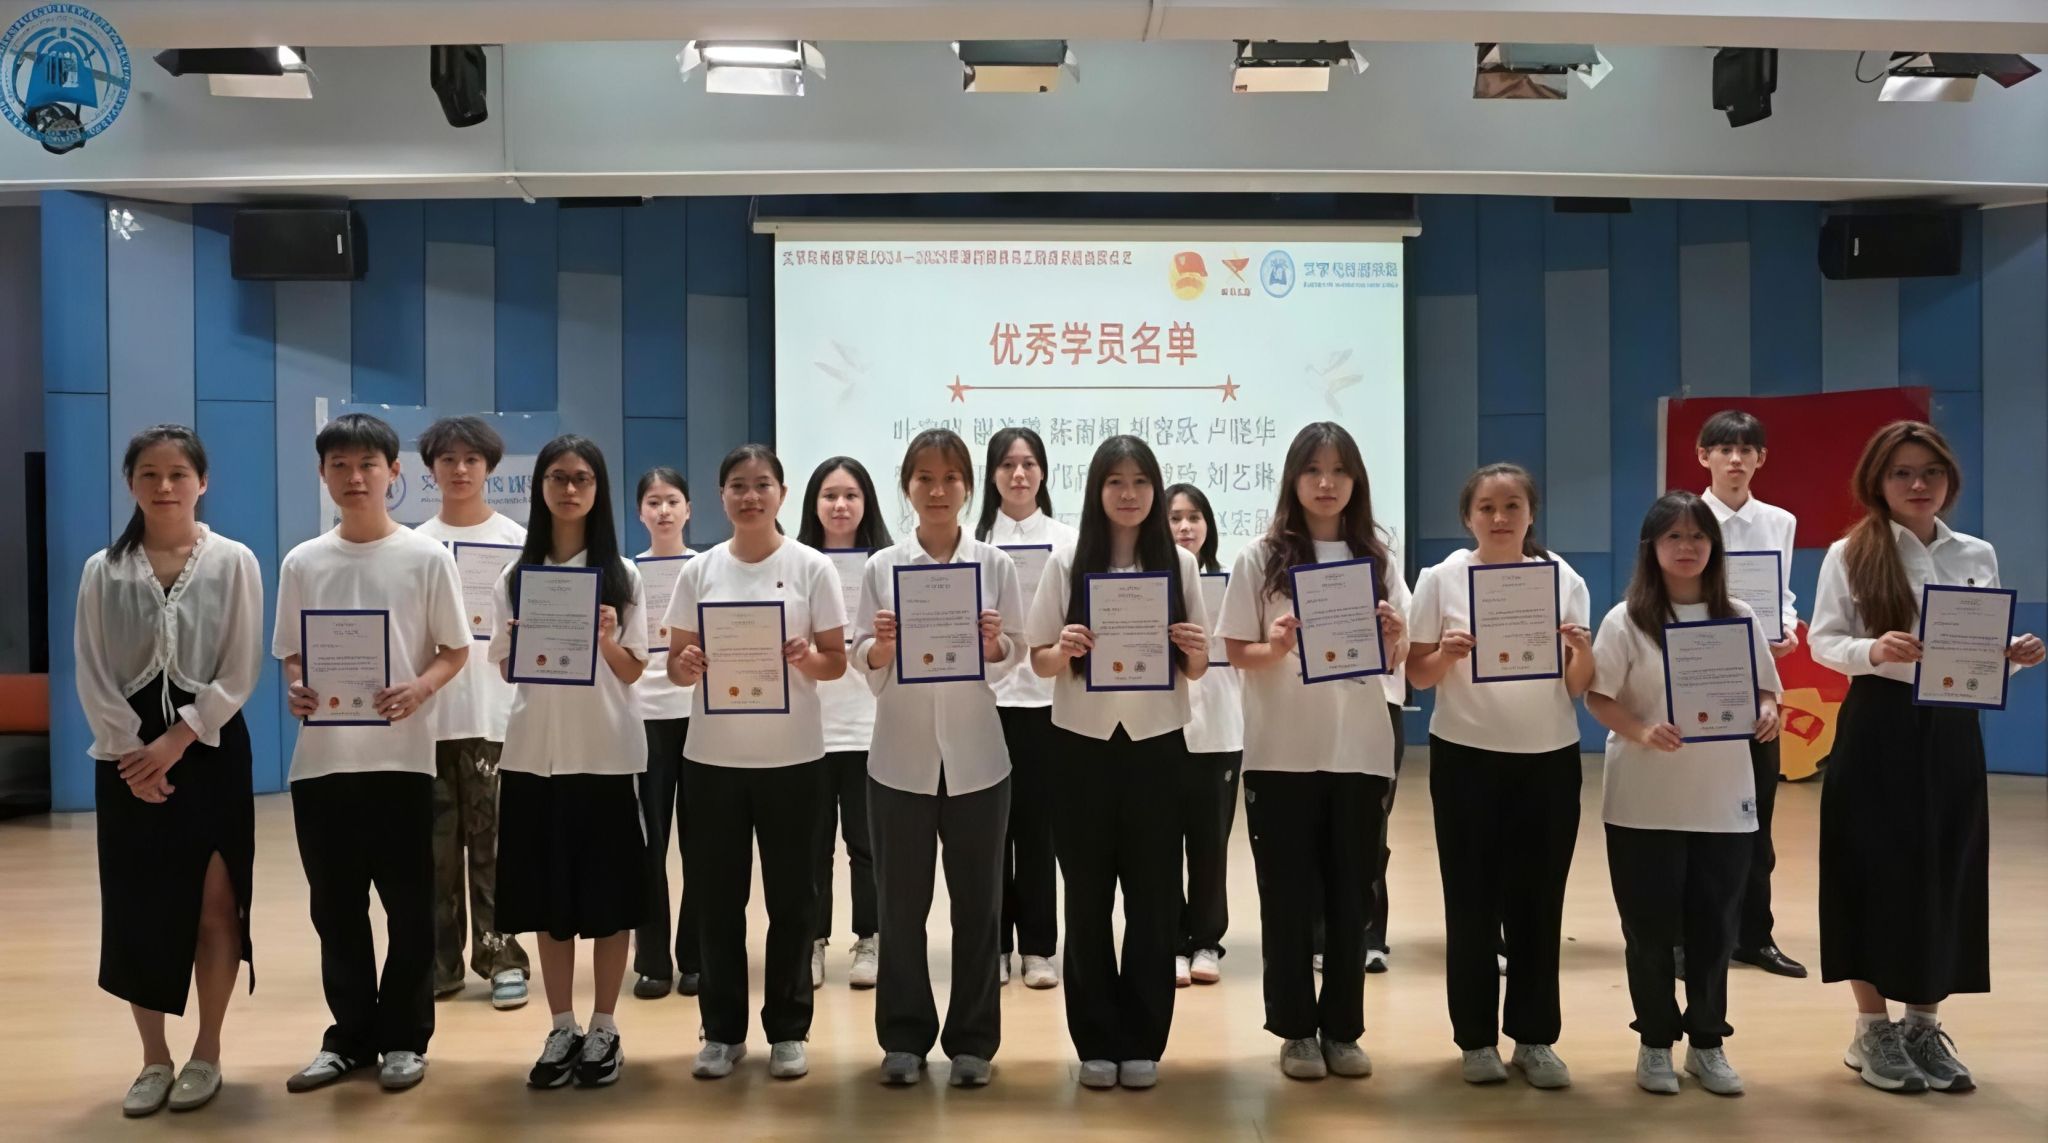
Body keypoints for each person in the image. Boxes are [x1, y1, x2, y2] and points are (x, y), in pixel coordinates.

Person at [1809, 420, 2044, 1095]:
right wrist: (1872, 650)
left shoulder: (1975, 552)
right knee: (1871, 866)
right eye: (1903, 473)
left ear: (1949, 480)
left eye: (1931, 472)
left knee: (1946, 866)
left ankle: (1923, 1024)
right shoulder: (1850, 553)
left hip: (1952, 729)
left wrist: (2013, 656)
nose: (1918, 484)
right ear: (1878, 482)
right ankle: (1872, 1027)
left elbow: (1977, 653)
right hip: (1878, 725)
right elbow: (1823, 640)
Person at [275, 413, 471, 1095]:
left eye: (367, 464)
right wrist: (299, 686)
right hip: (322, 765)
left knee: (410, 909)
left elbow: (454, 650)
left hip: (402, 763)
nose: (354, 477)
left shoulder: (425, 557)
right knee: (335, 911)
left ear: (394, 472)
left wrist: (420, 687)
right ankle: (351, 1037)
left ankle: (405, 1038)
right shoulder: (303, 561)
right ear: (323, 474)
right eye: (339, 465)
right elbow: (293, 653)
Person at [77, 425, 262, 1117]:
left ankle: (206, 1050)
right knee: (139, 907)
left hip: (210, 751)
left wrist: (177, 741)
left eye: (179, 473)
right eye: (149, 474)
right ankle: (153, 1057)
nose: (164, 486)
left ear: (202, 482)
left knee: (216, 905)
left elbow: (240, 668)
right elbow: (92, 671)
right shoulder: (102, 570)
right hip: (126, 759)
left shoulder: (234, 560)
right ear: (131, 483)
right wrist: (134, 752)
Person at [1218, 422, 1407, 1083]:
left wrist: (1394, 633)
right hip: (1282, 752)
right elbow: (1236, 650)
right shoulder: (1261, 556)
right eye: (1313, 470)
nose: (1326, 483)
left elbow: (1398, 655)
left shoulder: (1377, 557)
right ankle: (1297, 1030)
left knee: (1352, 895)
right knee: (1287, 897)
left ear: (1356, 480)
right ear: (1293, 479)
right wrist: (1274, 646)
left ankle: (1343, 1030)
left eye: (1339, 470)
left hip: (1359, 748)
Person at [1025, 434, 1210, 1091]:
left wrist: (1193, 646)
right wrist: (1064, 648)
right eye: (1115, 481)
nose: (1128, 494)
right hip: (1081, 745)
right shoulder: (1067, 559)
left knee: (1154, 899)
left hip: (1158, 743)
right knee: (1087, 897)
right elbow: (1038, 658)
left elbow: (1198, 665)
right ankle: (1096, 1039)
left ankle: (1144, 1039)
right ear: (1096, 490)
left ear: (1154, 489)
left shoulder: (1179, 564)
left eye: (1140, 481)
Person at [1585, 491, 1782, 1097]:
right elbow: (1598, 696)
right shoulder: (1626, 620)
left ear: (1714, 547)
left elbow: (1767, 690)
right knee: (1648, 929)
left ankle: (1707, 1043)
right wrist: (1643, 729)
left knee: (1715, 928)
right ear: (1652, 548)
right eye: (1674, 536)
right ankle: (1654, 1042)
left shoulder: (1739, 615)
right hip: (1644, 799)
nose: (1688, 547)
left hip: (1723, 798)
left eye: (1698, 536)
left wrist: (1768, 711)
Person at [665, 443, 850, 1081]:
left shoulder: (811, 567)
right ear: (721, 496)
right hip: (712, 760)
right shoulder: (699, 571)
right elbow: (676, 664)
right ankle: (721, 1032)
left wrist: (805, 658)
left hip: (794, 759)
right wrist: (688, 664)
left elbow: (836, 661)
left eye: (762, 484)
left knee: (793, 900)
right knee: (717, 900)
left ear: (782, 493)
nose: (750, 496)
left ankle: (789, 1029)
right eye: (738, 485)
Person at [1405, 463, 1591, 1088]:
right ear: (1468, 517)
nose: (1500, 517)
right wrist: (1444, 654)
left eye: (1513, 505)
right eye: (1486, 507)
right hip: (1467, 757)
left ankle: (1535, 1039)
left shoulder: (1562, 578)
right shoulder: (1441, 579)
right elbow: (1417, 674)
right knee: (1471, 902)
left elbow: (1577, 687)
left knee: (1539, 902)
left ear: (1531, 514)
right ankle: (1476, 1040)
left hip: (1548, 758)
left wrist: (1581, 652)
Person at [852, 429, 1023, 1087]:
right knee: (900, 908)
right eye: (924, 478)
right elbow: (864, 656)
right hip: (900, 761)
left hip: (978, 760)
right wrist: (881, 647)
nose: (938, 490)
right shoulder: (882, 567)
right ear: (907, 487)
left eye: (951, 477)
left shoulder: (995, 565)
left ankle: (974, 1040)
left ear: (968, 488)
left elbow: (1010, 657)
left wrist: (995, 643)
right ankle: (903, 1036)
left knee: (978, 907)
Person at [489, 437, 649, 1090]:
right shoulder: (515, 576)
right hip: (535, 756)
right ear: (541, 487)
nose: (570, 489)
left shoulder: (623, 576)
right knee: (548, 900)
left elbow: (634, 670)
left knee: (609, 898)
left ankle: (604, 1026)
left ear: (598, 489)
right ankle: (561, 1024)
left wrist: (605, 638)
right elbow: (505, 667)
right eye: (558, 477)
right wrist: (521, 641)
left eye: (582, 478)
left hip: (605, 755)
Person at [412, 415, 532, 1010]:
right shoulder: (413, 544)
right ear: (429, 470)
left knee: (497, 847)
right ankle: (439, 963)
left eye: (471, 460)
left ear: (489, 468)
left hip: (495, 714)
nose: (460, 470)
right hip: (427, 720)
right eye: (448, 460)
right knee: (432, 853)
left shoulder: (519, 542)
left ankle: (503, 958)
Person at [1695, 409, 1805, 979]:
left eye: (1746, 450)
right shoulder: (1684, 519)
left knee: (1758, 817)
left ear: (1761, 458)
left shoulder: (1780, 521)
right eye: (1724, 449)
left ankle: (1754, 936)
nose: (1735, 459)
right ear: (1704, 456)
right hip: (1699, 678)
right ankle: (1689, 938)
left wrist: (1783, 627)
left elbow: (1779, 592)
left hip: (1759, 683)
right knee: (1696, 815)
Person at [977, 427, 1076, 989]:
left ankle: (1038, 947)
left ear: (1043, 472)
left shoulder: (1068, 542)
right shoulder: (972, 544)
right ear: (992, 475)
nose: (1019, 474)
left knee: (1039, 828)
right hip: (986, 701)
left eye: (1030, 463)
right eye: (1008, 465)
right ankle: (993, 944)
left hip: (1046, 702)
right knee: (988, 830)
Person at [797, 456, 891, 990]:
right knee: (812, 847)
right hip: (809, 727)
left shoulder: (887, 565)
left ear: (866, 503)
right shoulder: (797, 565)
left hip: (870, 724)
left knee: (866, 843)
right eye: (830, 495)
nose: (840, 505)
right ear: (813, 503)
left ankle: (870, 939)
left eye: (851, 495)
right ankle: (812, 942)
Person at [1164, 482, 1241, 988]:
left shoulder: (1231, 584)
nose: (1185, 527)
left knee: (1210, 845)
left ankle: (1207, 940)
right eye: (1174, 518)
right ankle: (1172, 940)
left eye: (1194, 517)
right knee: (1163, 844)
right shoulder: (1146, 587)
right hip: (1162, 730)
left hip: (1219, 730)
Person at [629, 467, 702, 1001]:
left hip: (702, 716)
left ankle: (696, 956)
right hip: (643, 715)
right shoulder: (626, 573)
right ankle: (652, 960)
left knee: (701, 843)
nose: (663, 511)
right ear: (640, 512)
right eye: (653, 502)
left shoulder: (707, 569)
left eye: (672, 500)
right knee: (648, 844)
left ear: (689, 509)